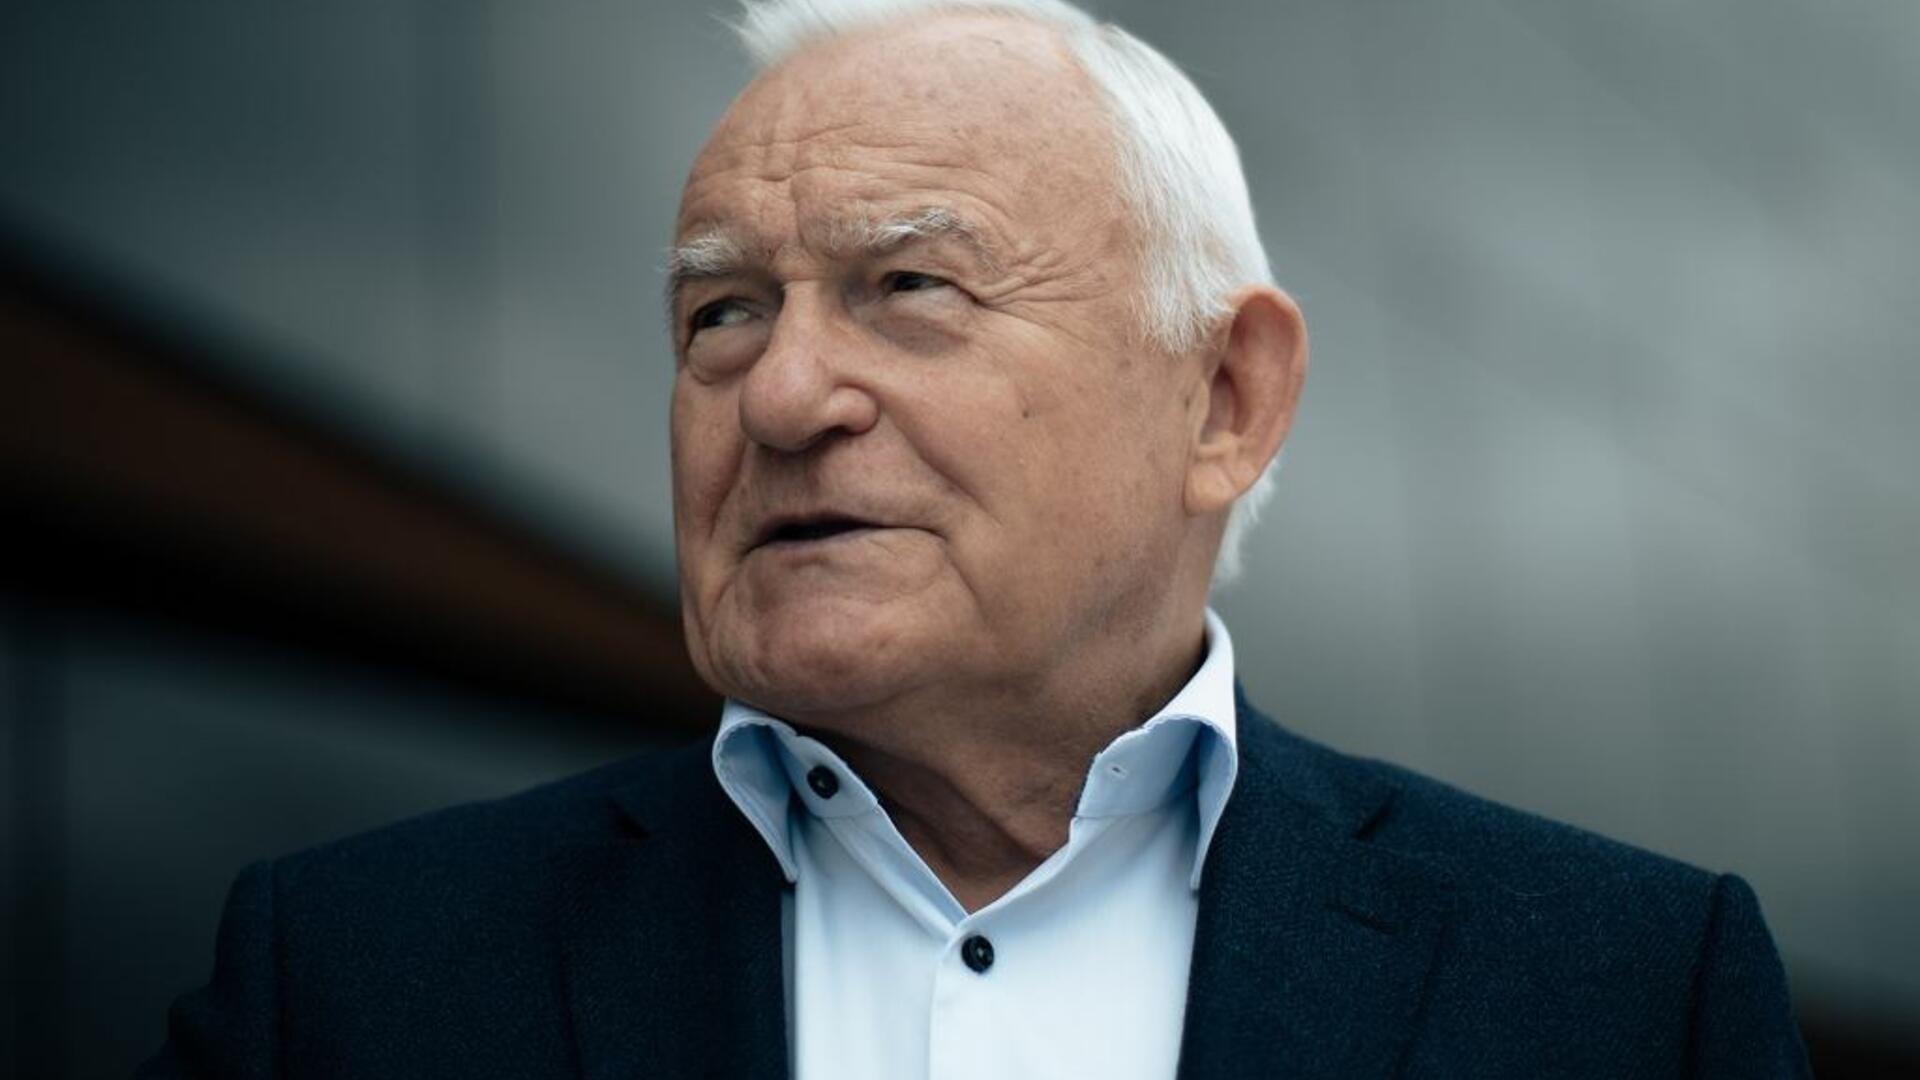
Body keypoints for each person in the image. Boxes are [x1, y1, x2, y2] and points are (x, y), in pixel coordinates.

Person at [142, 0, 1811, 1076]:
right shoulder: (347, 982)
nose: (781, 394)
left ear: (1224, 399)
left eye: (910, 286)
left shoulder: (1622, 994)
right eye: (721, 313)